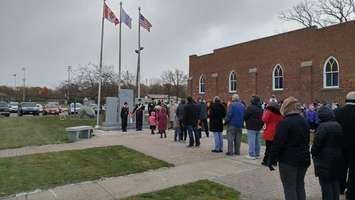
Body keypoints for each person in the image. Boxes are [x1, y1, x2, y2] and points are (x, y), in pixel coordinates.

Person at [269, 96, 310, 200]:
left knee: (289, 187)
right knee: (300, 185)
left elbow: (277, 143)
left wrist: (272, 159)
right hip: (303, 158)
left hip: (288, 161)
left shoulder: (285, 123)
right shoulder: (304, 121)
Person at [311, 105, 344, 200]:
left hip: (324, 159)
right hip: (337, 157)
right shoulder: (338, 125)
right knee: (335, 182)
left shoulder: (322, 127)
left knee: (326, 185)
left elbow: (317, 144)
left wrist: (313, 152)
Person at [335, 91, 355, 199]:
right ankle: (351, 192)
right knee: (353, 169)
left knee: (341, 167)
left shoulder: (338, 112)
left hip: (340, 144)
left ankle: (340, 187)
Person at [261, 101, 283, 166]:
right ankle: (274, 161)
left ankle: (266, 161)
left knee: (268, 148)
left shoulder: (269, 112)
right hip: (277, 132)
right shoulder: (279, 114)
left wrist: (265, 112)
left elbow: (264, 119)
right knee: (274, 147)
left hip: (269, 132)